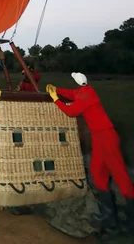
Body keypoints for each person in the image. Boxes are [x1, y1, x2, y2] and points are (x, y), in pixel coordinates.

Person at [47, 73, 134, 235]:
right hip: (99, 137)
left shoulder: (87, 98)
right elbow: (72, 94)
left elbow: (71, 111)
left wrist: (55, 99)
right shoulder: (85, 91)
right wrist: (56, 89)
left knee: (120, 174)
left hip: (107, 137)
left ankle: (131, 220)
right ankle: (109, 214)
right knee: (96, 170)